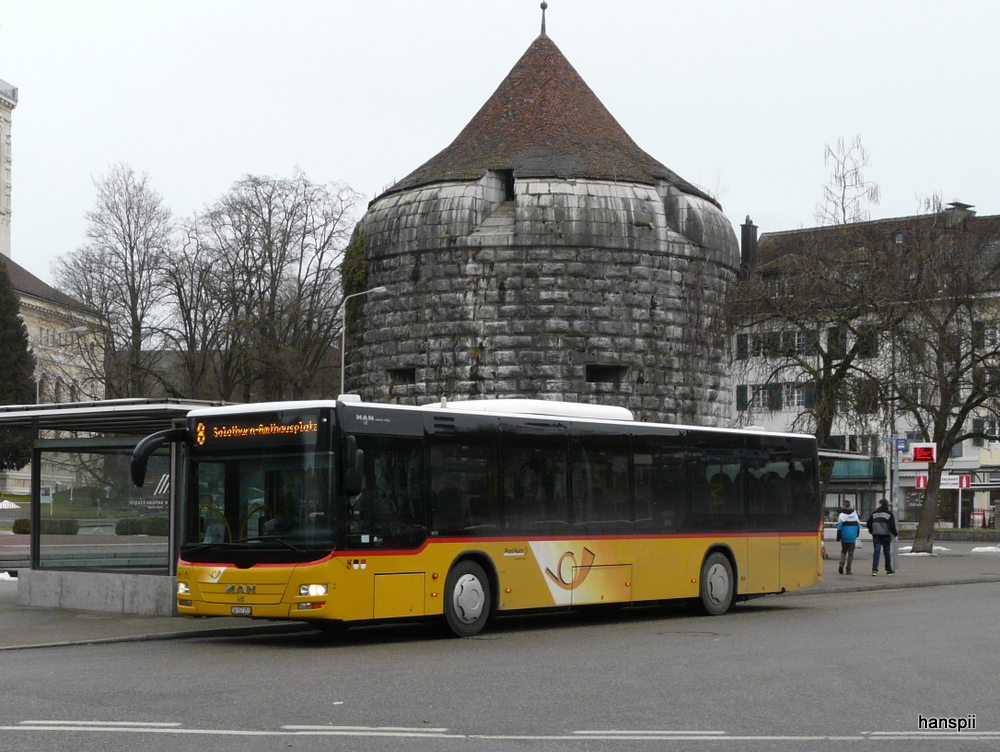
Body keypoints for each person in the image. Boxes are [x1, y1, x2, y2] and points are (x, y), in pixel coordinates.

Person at [867, 498, 898, 576]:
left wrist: (872, 531)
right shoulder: (889, 514)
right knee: (886, 552)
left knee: (876, 552)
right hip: (886, 535)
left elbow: (868, 524)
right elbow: (892, 526)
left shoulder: (874, 513)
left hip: (876, 535)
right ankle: (888, 569)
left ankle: (874, 570)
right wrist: (895, 534)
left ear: (880, 504)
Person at [836, 500, 861, 575]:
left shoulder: (841, 515)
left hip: (844, 536)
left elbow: (839, 527)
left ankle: (841, 563)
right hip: (852, 536)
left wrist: (838, 537)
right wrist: (856, 535)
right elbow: (858, 526)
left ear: (844, 506)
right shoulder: (855, 514)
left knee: (843, 551)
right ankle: (848, 569)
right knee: (851, 553)